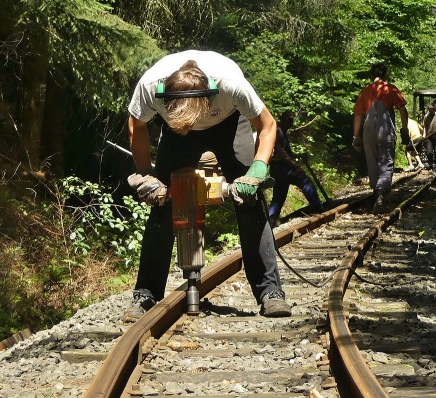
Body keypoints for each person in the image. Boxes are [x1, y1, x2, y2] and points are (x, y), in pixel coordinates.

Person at [124, 50, 291, 321]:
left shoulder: (229, 84)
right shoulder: (150, 86)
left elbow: (268, 125)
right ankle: (145, 294)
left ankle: (270, 292)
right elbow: (137, 126)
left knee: (249, 201)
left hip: (229, 124)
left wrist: (257, 170)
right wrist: (146, 174)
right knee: (163, 203)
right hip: (176, 134)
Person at [352, 63, 410, 211]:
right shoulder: (390, 89)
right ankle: (381, 195)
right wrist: (404, 130)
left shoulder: (365, 91)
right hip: (385, 130)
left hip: (368, 132)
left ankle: (376, 191)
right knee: (386, 162)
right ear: (385, 75)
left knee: (372, 163)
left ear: (371, 75)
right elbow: (403, 111)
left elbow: (358, 115)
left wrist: (356, 136)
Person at [268, 111, 323, 226]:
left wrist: (299, 155)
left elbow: (286, 153)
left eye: (292, 120)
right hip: (282, 169)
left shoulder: (281, 131)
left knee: (278, 197)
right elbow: (281, 153)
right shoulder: (278, 131)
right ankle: (318, 207)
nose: (290, 123)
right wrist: (296, 166)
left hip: (277, 169)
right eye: (288, 120)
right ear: (282, 119)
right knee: (304, 181)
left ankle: (270, 221)